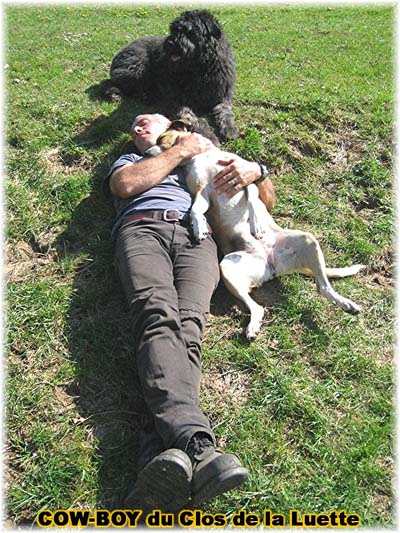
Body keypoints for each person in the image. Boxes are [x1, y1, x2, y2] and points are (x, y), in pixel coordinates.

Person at [104, 113, 275, 512]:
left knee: (189, 329)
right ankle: (199, 448)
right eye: (134, 125)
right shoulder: (130, 160)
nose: (136, 127)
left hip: (199, 242)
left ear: (172, 126)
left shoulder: (208, 163)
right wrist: (180, 149)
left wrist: (257, 171)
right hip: (143, 230)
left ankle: (158, 460)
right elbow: (125, 186)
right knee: (157, 317)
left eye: (147, 121)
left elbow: (265, 200)